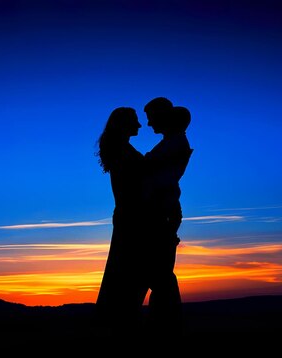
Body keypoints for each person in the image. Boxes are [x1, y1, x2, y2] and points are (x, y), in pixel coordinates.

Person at [143, 97, 193, 335]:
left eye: (152, 118)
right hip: (162, 209)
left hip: (163, 211)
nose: (149, 125)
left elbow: (151, 171)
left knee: (160, 273)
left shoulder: (175, 144)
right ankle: (165, 323)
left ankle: (167, 326)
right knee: (159, 271)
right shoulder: (170, 143)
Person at [95, 107, 147, 335]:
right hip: (131, 217)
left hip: (127, 215)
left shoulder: (121, 150)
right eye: (135, 121)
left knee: (124, 270)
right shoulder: (123, 153)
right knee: (128, 271)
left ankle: (120, 321)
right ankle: (122, 323)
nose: (139, 126)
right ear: (124, 124)